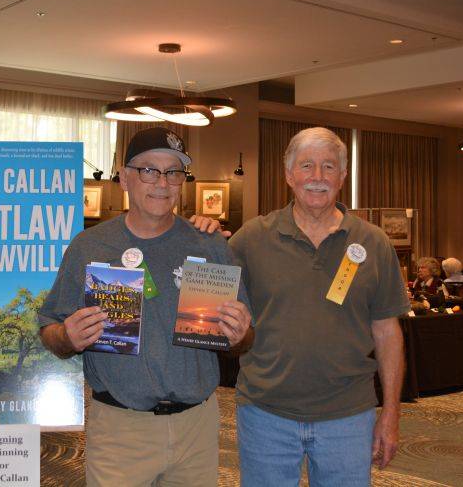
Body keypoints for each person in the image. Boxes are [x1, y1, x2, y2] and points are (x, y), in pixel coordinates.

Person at [38, 127, 253, 486]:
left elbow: (242, 343)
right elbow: (50, 330)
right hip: (120, 430)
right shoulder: (89, 246)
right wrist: (68, 336)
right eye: (149, 170)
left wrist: (241, 335)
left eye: (173, 172)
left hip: (196, 428)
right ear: (124, 179)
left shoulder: (209, 245)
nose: (162, 183)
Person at [228, 127, 409, 486]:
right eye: (307, 166)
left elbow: (388, 333)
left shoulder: (373, 243)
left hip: (348, 415)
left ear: (343, 177)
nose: (317, 177)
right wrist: (199, 234)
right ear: (288, 175)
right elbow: (211, 298)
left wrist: (390, 414)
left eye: (329, 168)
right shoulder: (251, 239)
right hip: (265, 413)